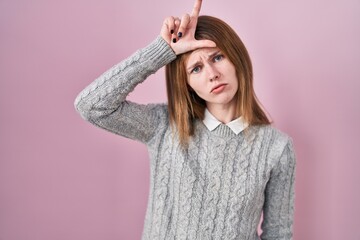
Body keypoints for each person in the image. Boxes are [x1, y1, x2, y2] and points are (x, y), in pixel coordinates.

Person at [74, 0, 296, 239]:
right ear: (187, 83)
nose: (212, 74)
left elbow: (278, 233)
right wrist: (162, 51)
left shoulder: (277, 148)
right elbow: (92, 105)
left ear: (237, 58)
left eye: (218, 57)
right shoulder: (164, 127)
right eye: (196, 69)